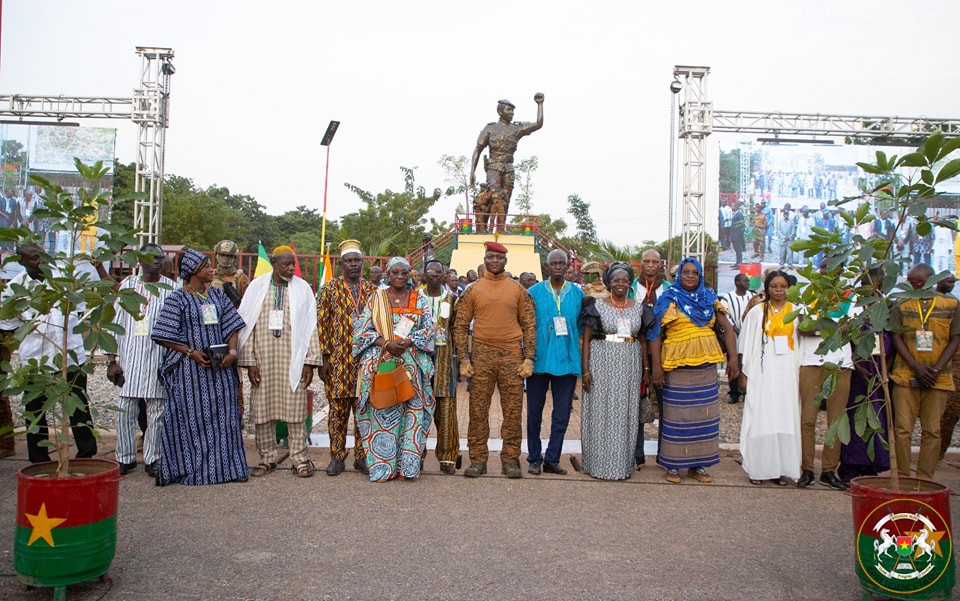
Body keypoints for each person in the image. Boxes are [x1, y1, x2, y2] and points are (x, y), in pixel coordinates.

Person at [151, 248, 248, 485]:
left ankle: (227, 469)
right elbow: (163, 334)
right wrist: (190, 352)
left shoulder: (217, 295)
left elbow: (233, 325)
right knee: (192, 419)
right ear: (192, 271)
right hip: (190, 371)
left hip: (220, 369)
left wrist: (233, 352)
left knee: (224, 418)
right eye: (205, 266)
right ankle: (195, 468)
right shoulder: (178, 299)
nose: (211, 269)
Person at [0, 243, 98, 463]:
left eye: (43, 256)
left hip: (70, 356)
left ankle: (86, 454)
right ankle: (39, 460)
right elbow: (8, 325)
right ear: (21, 262)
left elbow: (80, 310)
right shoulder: (15, 291)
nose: (41, 261)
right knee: (35, 410)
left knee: (77, 406)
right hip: (36, 361)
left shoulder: (67, 283)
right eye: (34, 258)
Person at [648, 257, 738, 484]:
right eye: (685, 272)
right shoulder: (670, 298)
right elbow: (655, 334)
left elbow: (727, 329)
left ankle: (698, 465)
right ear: (679, 276)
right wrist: (656, 367)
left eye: (694, 273)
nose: (690, 276)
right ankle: (673, 464)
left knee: (704, 416)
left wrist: (734, 358)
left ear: (700, 276)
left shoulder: (709, 298)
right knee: (677, 417)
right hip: (677, 368)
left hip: (705, 368)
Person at [453, 240, 536, 478]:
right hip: (481, 354)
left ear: (506, 261)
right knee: (478, 410)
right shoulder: (473, 289)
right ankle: (478, 460)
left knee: (512, 410)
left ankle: (511, 459)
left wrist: (529, 357)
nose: (495, 261)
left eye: (499, 258)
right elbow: (460, 325)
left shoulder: (519, 290)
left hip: (512, 354)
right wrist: (463, 360)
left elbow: (530, 325)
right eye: (491, 257)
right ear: (485, 259)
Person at [237, 246, 322, 479]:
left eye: (293, 264)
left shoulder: (302, 289)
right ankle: (267, 458)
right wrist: (250, 362)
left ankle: (299, 459)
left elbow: (311, 326)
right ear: (274, 263)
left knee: (295, 411)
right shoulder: (256, 287)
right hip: (263, 361)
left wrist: (308, 362)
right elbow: (247, 324)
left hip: (292, 361)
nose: (291, 269)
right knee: (263, 412)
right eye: (286, 265)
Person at [353, 257, 436, 481]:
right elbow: (361, 330)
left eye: (404, 272)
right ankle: (383, 467)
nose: (399, 276)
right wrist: (386, 343)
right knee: (383, 410)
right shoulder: (376, 298)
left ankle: (407, 468)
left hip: (412, 363)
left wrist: (409, 341)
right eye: (395, 272)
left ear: (410, 274)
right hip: (383, 361)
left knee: (413, 413)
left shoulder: (420, 299)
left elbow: (430, 328)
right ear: (387, 275)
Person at [106, 243, 175, 477]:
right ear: (140, 260)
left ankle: (153, 458)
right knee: (124, 409)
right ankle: (124, 458)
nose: (156, 261)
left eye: (160, 257)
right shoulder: (128, 287)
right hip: (130, 359)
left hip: (159, 359)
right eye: (151, 257)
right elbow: (115, 324)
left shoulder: (172, 290)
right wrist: (110, 360)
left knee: (157, 412)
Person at [889, 263, 960, 480]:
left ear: (931, 281)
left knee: (932, 431)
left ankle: (924, 478)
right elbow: (896, 337)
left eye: (918, 283)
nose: (913, 286)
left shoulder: (951, 304)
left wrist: (937, 368)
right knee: (902, 430)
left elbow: (955, 338)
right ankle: (902, 476)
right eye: (910, 283)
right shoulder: (901, 302)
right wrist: (917, 367)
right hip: (905, 375)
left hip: (939, 377)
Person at [580, 262, 650, 480]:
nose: (620, 284)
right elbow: (587, 340)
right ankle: (597, 464)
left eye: (624, 280)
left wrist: (646, 369)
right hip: (601, 362)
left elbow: (643, 340)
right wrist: (585, 370)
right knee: (600, 411)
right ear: (608, 282)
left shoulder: (638, 308)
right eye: (616, 280)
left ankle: (621, 465)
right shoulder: (596, 306)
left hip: (629, 364)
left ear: (630, 283)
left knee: (625, 412)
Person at [317, 239, 376, 475]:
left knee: (364, 409)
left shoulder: (372, 291)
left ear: (363, 263)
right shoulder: (330, 289)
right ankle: (337, 457)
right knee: (337, 411)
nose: (353, 265)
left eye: (357, 261)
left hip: (365, 360)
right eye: (349, 261)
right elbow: (320, 324)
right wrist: (324, 358)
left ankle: (362, 456)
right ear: (341, 264)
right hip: (338, 361)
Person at [738, 270, 802, 485]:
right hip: (763, 370)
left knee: (784, 417)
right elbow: (746, 344)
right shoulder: (758, 312)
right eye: (774, 286)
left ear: (788, 288)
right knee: (762, 416)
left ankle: (781, 469)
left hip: (787, 371)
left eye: (783, 286)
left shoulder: (796, 311)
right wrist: (744, 373)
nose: (778, 290)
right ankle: (759, 468)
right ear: (767, 287)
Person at [526, 250, 584, 475]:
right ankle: (533, 458)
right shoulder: (533, 292)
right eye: (554, 263)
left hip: (567, 360)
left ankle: (552, 459)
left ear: (567, 266)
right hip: (540, 359)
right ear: (547, 266)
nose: (558, 267)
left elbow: (579, 324)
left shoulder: (577, 293)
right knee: (534, 413)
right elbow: (526, 322)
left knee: (561, 414)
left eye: (562, 263)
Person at [796, 261, 853, 490]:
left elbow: (850, 328)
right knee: (807, 420)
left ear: (840, 272)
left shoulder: (850, 296)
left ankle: (829, 471)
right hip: (810, 362)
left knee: (836, 420)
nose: (825, 273)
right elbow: (802, 328)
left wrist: (818, 326)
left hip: (841, 364)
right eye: (822, 269)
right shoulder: (809, 295)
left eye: (830, 269)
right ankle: (807, 469)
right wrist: (830, 327)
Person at [470, 94, 544, 219]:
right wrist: (472, 171)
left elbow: (538, 123)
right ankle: (485, 226)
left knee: (506, 199)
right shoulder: (490, 128)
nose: (512, 113)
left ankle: (501, 228)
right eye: (508, 110)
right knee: (494, 196)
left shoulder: (517, 129)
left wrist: (540, 104)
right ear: (500, 111)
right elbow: (477, 149)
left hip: (509, 168)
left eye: (513, 110)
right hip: (493, 168)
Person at [629, 248, 668, 467]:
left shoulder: (670, 289)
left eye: (655, 261)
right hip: (636, 349)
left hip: (665, 350)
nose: (651, 265)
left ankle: (666, 453)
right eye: (647, 261)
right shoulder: (631, 288)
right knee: (638, 402)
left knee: (666, 404)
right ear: (640, 264)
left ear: (661, 264)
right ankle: (637, 454)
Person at [422, 259, 460, 473]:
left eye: (438, 273)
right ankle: (416, 454)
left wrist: (462, 358)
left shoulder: (452, 299)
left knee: (446, 408)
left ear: (444, 276)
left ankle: (447, 457)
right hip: (419, 359)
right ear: (424, 275)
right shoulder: (416, 298)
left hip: (445, 359)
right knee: (418, 408)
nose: (434, 275)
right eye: (430, 272)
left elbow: (457, 329)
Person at [720, 274, 755, 404]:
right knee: (733, 362)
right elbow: (725, 316)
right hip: (734, 337)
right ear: (737, 282)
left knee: (749, 363)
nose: (748, 283)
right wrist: (736, 329)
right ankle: (734, 392)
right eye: (745, 281)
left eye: (748, 281)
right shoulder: (727, 298)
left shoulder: (752, 297)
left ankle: (747, 392)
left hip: (750, 337)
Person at [940, 274, 960, 458]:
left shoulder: (954, 303)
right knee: (946, 418)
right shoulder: (950, 305)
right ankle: (937, 455)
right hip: (950, 372)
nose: (952, 285)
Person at [210, 239, 249, 308]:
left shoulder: (241, 278)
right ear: (216, 255)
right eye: (222, 255)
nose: (225, 258)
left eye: (229, 256)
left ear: (234, 257)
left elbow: (247, 303)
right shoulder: (209, 276)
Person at [729, 202, 746, 268]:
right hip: (733, 234)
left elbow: (742, 225)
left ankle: (739, 263)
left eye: (732, 206)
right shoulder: (735, 214)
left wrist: (740, 235)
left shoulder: (739, 214)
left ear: (736, 207)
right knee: (736, 249)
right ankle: (737, 262)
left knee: (738, 249)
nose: (731, 207)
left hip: (737, 235)